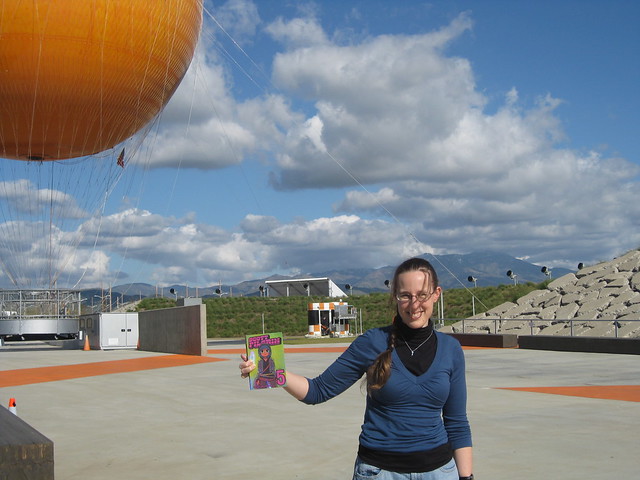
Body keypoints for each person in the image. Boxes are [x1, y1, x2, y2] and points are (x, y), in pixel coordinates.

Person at [239, 257, 473, 479]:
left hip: (439, 472)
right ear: (395, 297)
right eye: (405, 295)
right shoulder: (372, 342)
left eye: (422, 295)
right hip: (380, 472)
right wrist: (270, 369)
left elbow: (457, 422)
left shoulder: (451, 349)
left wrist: (466, 476)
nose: (414, 304)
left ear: (436, 295)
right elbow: (317, 391)